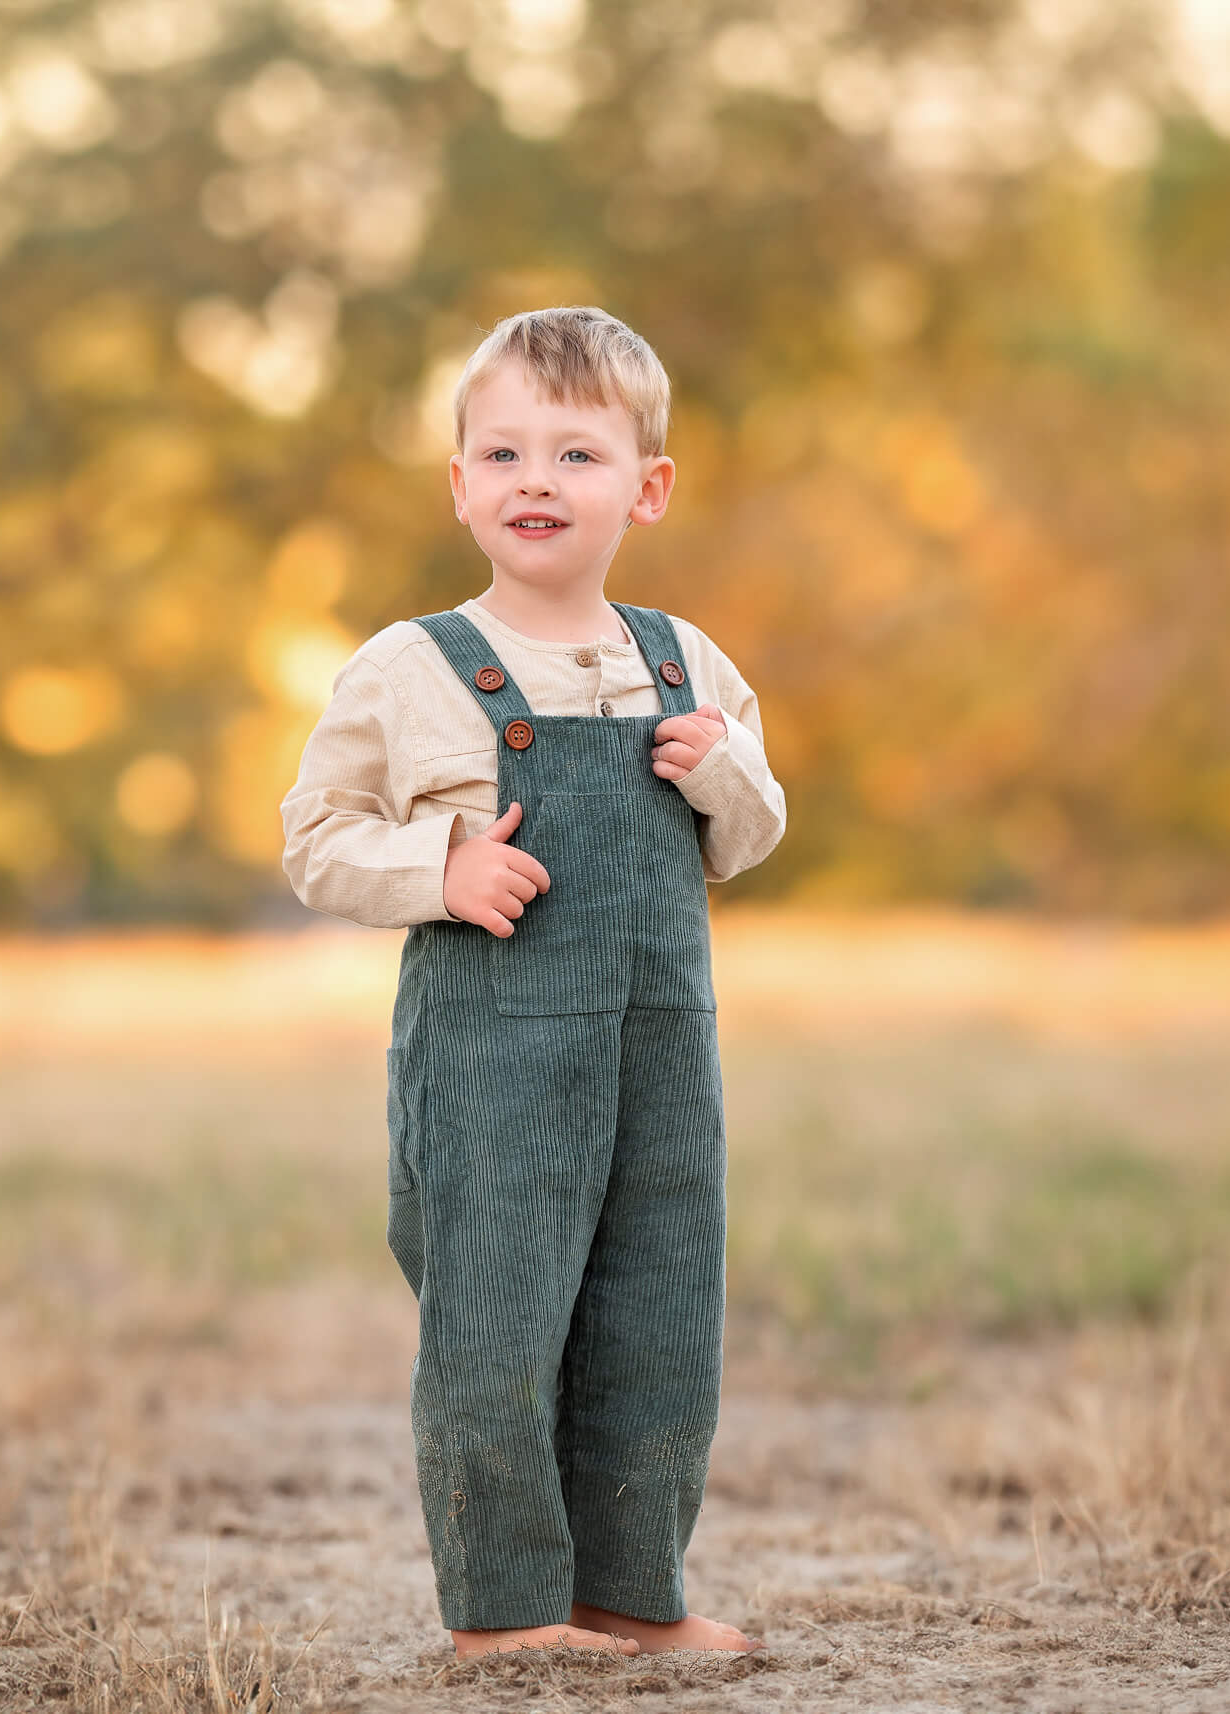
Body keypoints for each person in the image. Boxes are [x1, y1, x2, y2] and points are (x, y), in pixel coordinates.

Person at [280, 306, 787, 1658]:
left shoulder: (687, 664)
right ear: (460, 485)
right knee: (498, 1328)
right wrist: (441, 869)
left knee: (660, 1320)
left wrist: (719, 767)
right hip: (492, 1061)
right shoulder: (409, 670)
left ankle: (629, 1589)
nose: (537, 481)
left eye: (576, 452)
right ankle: (504, 1611)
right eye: (502, 452)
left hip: (661, 1062)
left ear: (648, 486)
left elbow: (749, 836)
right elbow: (315, 843)